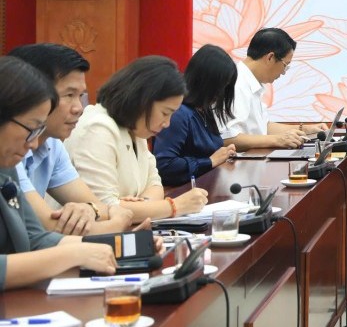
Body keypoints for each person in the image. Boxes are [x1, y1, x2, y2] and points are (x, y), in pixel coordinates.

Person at [0, 56, 117, 288]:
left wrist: (119, 247)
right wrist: (74, 255)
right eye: (31, 129)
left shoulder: (6, 167)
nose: (34, 144)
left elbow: (35, 237)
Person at [7, 43, 134, 235]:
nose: (79, 108)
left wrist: (91, 209)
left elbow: (99, 206)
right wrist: (117, 224)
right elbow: (50, 229)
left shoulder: (52, 144)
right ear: (32, 92)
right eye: (69, 95)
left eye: (81, 96)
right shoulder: (9, 149)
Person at [65, 56, 208, 222]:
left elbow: (155, 184)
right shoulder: (97, 128)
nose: (167, 123)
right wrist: (175, 206)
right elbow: (101, 209)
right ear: (142, 100)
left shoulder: (136, 128)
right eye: (165, 113)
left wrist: (142, 206)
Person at [222, 28, 325, 151]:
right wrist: (277, 140)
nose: (284, 72)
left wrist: (305, 129)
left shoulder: (251, 81)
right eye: (285, 65)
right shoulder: (236, 84)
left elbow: (263, 127)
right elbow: (227, 139)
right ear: (270, 57)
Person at [154, 45, 239, 187]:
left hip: (204, 186)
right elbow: (165, 165)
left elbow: (210, 154)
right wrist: (210, 161)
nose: (222, 94)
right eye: (221, 87)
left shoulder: (204, 110)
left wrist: (224, 154)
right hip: (181, 191)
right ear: (206, 82)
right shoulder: (179, 113)